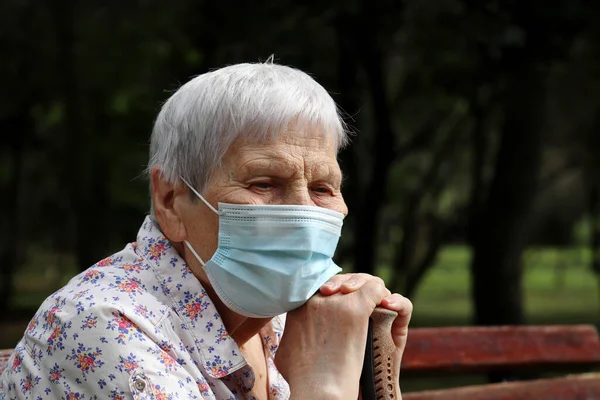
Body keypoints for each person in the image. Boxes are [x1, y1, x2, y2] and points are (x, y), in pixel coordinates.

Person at [0, 60, 412, 399]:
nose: (303, 214)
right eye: (263, 183)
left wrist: (376, 377)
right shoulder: (103, 325)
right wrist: (322, 388)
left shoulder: (283, 320)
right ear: (170, 201)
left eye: (323, 188)